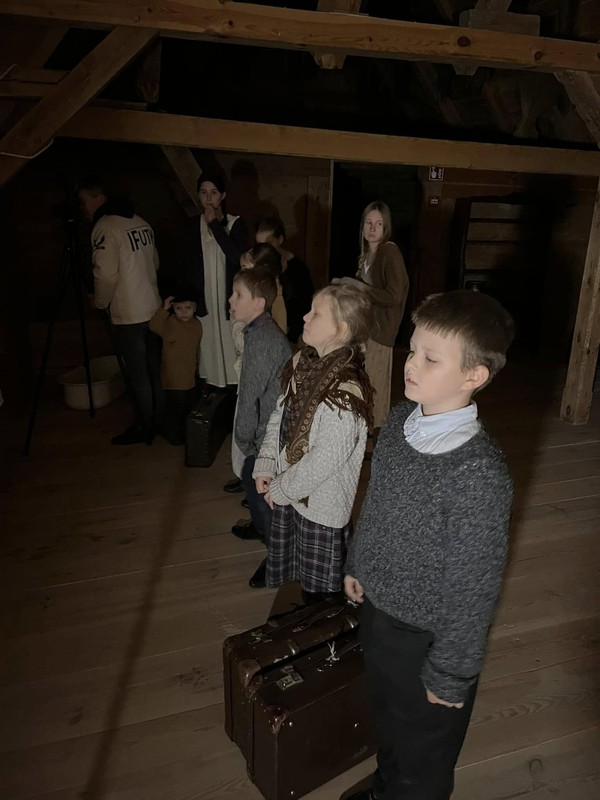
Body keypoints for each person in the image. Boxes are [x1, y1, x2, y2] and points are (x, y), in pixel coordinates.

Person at [342, 290, 515, 800]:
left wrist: (452, 671)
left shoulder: (479, 473)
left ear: (474, 376)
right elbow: (377, 505)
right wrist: (359, 561)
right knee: (389, 723)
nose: (410, 364)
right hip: (379, 614)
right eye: (412, 350)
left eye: (430, 358)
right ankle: (385, 787)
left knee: (426, 753)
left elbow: (474, 586)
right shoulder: (399, 421)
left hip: (430, 640)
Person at [253, 283, 373, 605]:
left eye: (316, 313)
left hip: (321, 509)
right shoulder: (301, 364)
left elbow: (324, 461)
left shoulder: (345, 392)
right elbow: (279, 417)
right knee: (303, 581)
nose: (305, 316)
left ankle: (325, 640)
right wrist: (266, 462)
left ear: (341, 329)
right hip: (292, 493)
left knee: (323, 594)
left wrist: (280, 489)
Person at [78, 176, 163, 445]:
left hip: (129, 313)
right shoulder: (140, 222)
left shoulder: (105, 227)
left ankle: (144, 426)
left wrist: (99, 302)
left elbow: (104, 274)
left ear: (99, 198)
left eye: (84, 201)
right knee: (153, 371)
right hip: (153, 307)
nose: (83, 208)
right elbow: (156, 263)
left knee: (138, 376)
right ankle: (159, 421)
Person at [228, 268, 292, 588]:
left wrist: (244, 440)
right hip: (266, 426)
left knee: (258, 484)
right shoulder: (258, 330)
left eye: (237, 295)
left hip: (270, 432)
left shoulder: (262, 340)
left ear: (259, 303)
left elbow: (250, 396)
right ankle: (259, 524)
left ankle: (276, 554)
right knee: (250, 485)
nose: (230, 299)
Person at [341, 201, 409, 432]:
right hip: (366, 330)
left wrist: (358, 287)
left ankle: (373, 438)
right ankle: (362, 433)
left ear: (386, 228)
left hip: (380, 332)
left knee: (375, 386)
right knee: (362, 383)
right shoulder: (367, 256)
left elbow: (394, 295)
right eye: (369, 223)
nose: (373, 228)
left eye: (378, 224)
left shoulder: (390, 251)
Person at [181, 171, 247, 390]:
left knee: (230, 342)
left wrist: (215, 226)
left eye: (214, 192)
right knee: (208, 345)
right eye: (203, 192)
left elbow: (237, 257)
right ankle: (211, 387)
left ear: (223, 195)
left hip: (227, 294)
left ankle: (232, 388)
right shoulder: (192, 226)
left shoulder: (235, 223)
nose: (208, 198)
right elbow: (187, 264)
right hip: (205, 293)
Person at [149, 286, 203, 445]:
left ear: (194, 307)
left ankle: (182, 432)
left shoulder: (196, 325)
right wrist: (164, 310)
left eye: (187, 308)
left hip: (189, 373)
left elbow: (196, 349)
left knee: (186, 406)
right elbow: (154, 326)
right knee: (175, 407)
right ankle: (171, 433)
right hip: (172, 376)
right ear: (173, 308)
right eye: (179, 308)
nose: (184, 312)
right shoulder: (170, 323)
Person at [255, 216, 314, 344]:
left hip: (292, 336)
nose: (265, 249)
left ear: (280, 239)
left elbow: (304, 303)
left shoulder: (298, 268)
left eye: (269, 243)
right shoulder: (259, 267)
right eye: (261, 245)